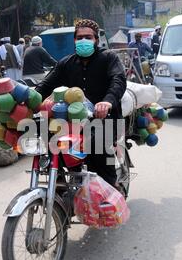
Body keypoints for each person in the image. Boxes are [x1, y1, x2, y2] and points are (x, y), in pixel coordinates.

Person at [36, 19, 127, 188]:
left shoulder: (109, 58)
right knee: (46, 138)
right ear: (74, 40)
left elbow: (118, 80)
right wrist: (31, 98)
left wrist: (107, 102)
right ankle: (60, 182)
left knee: (97, 150)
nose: (83, 41)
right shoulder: (65, 63)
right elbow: (46, 85)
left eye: (88, 37)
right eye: (79, 37)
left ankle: (110, 194)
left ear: (96, 40)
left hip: (104, 120)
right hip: (73, 122)